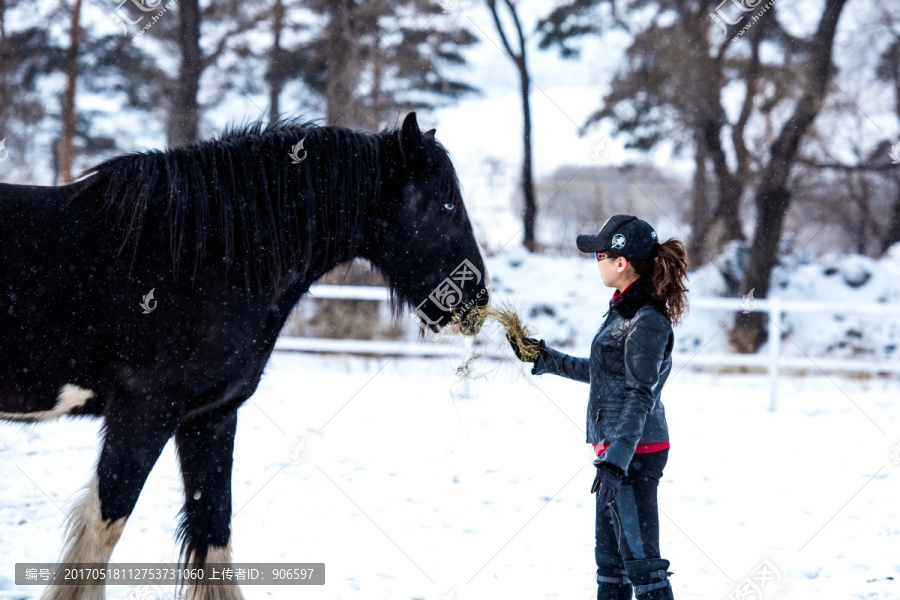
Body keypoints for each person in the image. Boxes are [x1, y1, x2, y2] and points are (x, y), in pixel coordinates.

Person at [508, 215, 688, 600]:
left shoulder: (647, 319)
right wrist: (542, 357)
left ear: (621, 262)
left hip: (633, 454)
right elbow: (607, 374)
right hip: (617, 453)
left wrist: (616, 461)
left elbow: (641, 394)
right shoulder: (624, 310)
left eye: (600, 254)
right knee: (611, 568)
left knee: (643, 567)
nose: (597, 262)